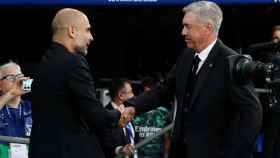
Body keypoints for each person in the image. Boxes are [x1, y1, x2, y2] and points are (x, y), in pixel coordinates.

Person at [124, 1, 262, 158]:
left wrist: (235, 154)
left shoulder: (230, 61)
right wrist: (134, 107)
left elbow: (253, 112)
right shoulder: (187, 55)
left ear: (208, 28)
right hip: (180, 151)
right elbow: (164, 91)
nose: (183, 32)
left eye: (188, 26)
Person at [29, 8, 129, 158]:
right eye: (88, 30)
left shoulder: (42, 64)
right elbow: (95, 114)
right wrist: (119, 114)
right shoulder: (74, 62)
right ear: (72, 31)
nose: (91, 37)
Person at [132, 76, 171, 158]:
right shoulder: (134, 111)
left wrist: (166, 154)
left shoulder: (163, 112)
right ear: (147, 89)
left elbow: (167, 138)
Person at [98, 78, 137, 158]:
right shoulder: (105, 116)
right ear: (121, 95)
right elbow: (104, 145)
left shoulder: (129, 110)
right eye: (130, 92)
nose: (133, 95)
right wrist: (120, 150)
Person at [0, 62, 32, 140]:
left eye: (19, 77)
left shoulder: (31, 107)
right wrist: (11, 93)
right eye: (11, 78)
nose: (17, 81)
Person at [263, 25, 280, 158]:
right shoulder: (266, 57)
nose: (278, 42)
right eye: (276, 38)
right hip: (271, 108)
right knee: (270, 142)